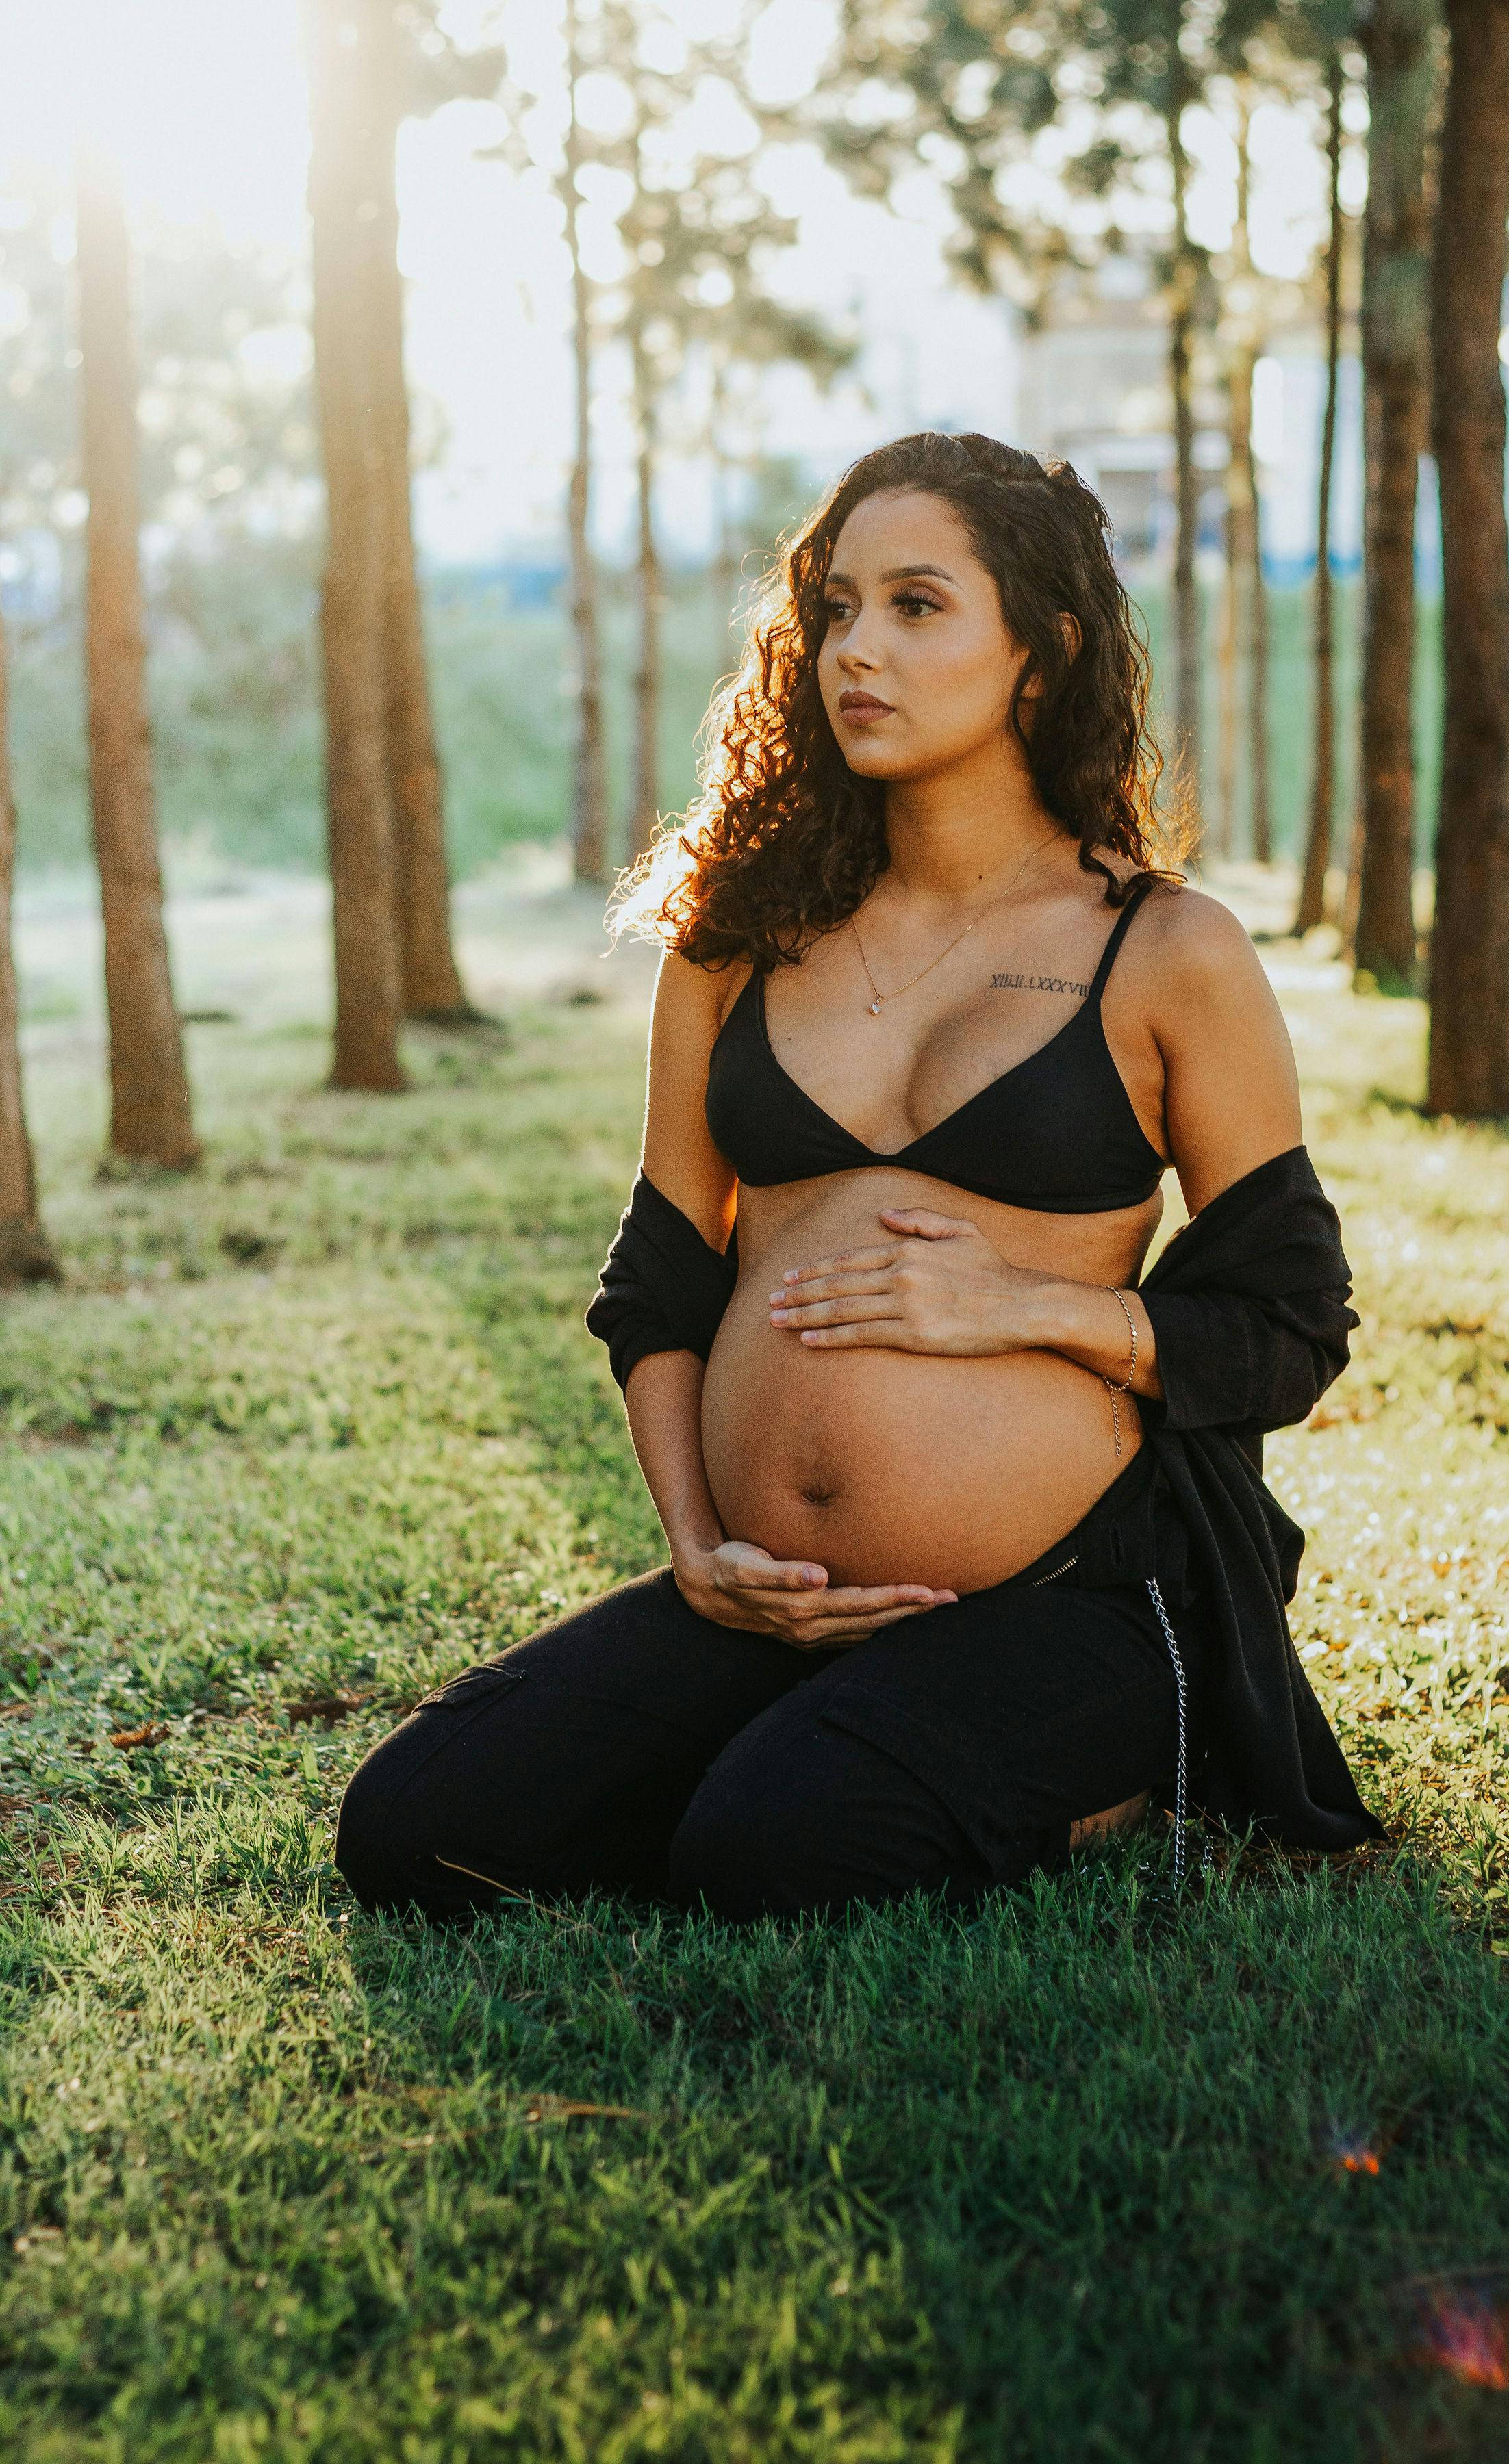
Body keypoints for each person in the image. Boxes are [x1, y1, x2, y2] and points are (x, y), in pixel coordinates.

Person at [336, 431, 1382, 1927]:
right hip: (775, 1596)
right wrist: (700, 1549)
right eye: (834, 609)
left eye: (916, 605)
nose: (856, 651)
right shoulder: (738, 936)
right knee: (419, 1830)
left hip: (1066, 1588)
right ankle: (803, 1728)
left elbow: (1292, 1319)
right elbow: (662, 1278)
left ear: (1043, 650)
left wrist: (1025, 1306)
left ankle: (1132, 1747)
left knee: (773, 1853)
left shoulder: (1164, 951)